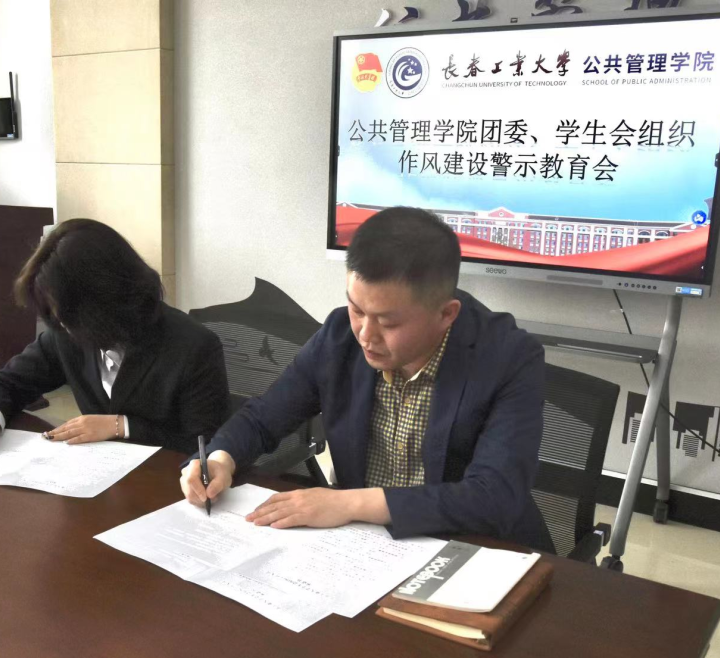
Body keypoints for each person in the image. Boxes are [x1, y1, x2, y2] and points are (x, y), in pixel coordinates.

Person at [180, 206, 554, 552]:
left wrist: (351, 503)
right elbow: (263, 418)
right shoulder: (339, 336)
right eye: (357, 309)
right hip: (366, 548)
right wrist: (220, 458)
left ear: (446, 314)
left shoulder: (508, 357)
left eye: (388, 322)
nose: (365, 335)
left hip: (473, 550)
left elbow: (494, 497)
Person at [0, 219, 229, 454]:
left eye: (68, 314)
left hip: (165, 483)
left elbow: (205, 445)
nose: (62, 325)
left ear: (105, 300)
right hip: (96, 478)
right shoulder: (64, 331)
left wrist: (121, 426)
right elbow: (7, 383)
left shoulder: (193, 346)